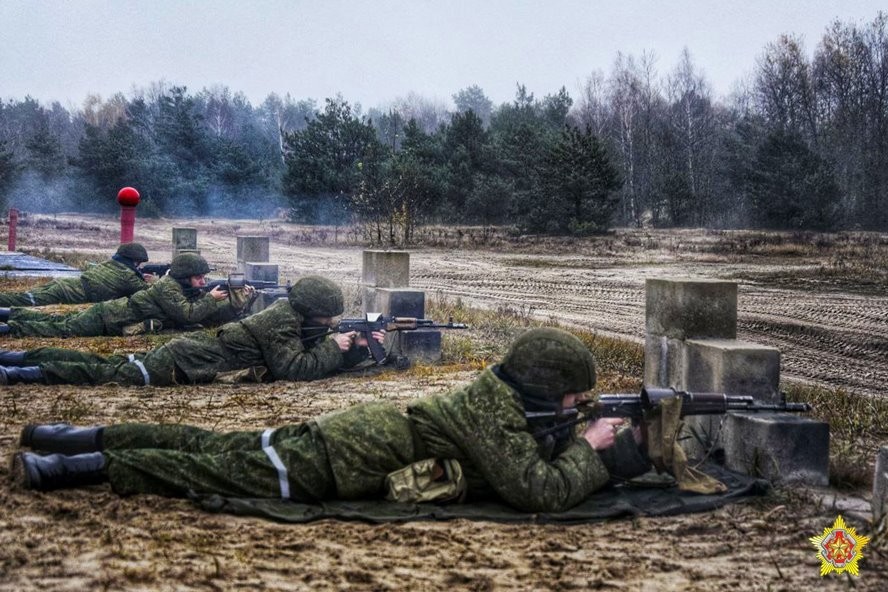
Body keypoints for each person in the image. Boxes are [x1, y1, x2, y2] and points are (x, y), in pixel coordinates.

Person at [9, 327, 652, 513]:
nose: (576, 411)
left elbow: (533, 442)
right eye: (572, 400)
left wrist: (583, 432)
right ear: (545, 389)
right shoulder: (496, 418)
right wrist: (595, 451)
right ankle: (70, 466)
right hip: (328, 464)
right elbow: (536, 490)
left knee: (202, 443)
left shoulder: (500, 397)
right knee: (196, 470)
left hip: (341, 437)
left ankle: (72, 436)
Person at [0, 274, 382, 387]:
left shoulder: (289, 316)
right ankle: (21, 370)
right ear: (312, 311)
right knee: (103, 373)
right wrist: (335, 346)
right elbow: (292, 368)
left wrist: (356, 347)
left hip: (185, 354)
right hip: (181, 361)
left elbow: (302, 353)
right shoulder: (282, 322)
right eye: (327, 319)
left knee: (104, 364)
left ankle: (17, 359)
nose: (331, 324)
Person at [0, 252, 247, 339]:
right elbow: (188, 315)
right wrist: (209, 297)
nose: (203, 282)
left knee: (56, 321)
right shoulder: (168, 288)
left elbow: (200, 313)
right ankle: (9, 328)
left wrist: (237, 302)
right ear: (184, 277)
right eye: (198, 278)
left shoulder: (179, 288)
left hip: (111, 316)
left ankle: (8, 316)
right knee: (60, 328)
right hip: (108, 317)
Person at [0, 242, 156, 309]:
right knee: (25, 300)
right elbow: (149, 294)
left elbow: (90, 265)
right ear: (132, 261)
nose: (138, 267)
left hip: (66, 285)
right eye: (138, 264)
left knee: (24, 296)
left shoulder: (111, 264)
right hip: (68, 292)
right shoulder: (128, 277)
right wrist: (153, 280)